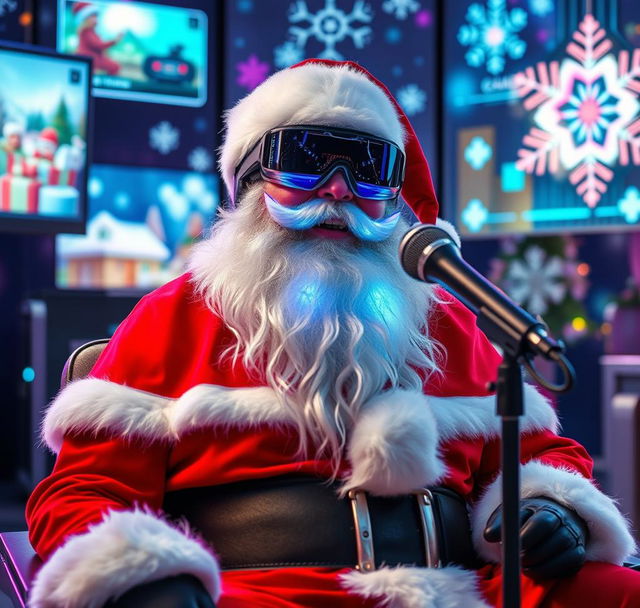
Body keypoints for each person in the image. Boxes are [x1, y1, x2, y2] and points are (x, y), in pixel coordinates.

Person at [26, 60, 640, 608]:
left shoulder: (447, 320)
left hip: (456, 585)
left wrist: (552, 507)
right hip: (255, 591)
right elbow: (85, 489)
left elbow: (537, 454)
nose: (339, 187)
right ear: (248, 180)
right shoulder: (175, 315)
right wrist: (144, 576)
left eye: (370, 167)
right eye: (304, 159)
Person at [72, 1, 123, 76]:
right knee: (114, 66)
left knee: (114, 66)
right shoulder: (85, 31)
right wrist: (114, 41)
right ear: (85, 18)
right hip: (89, 57)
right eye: (92, 16)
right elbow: (98, 45)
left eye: (96, 16)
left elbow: (100, 46)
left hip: (94, 57)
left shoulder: (92, 31)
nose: (95, 19)